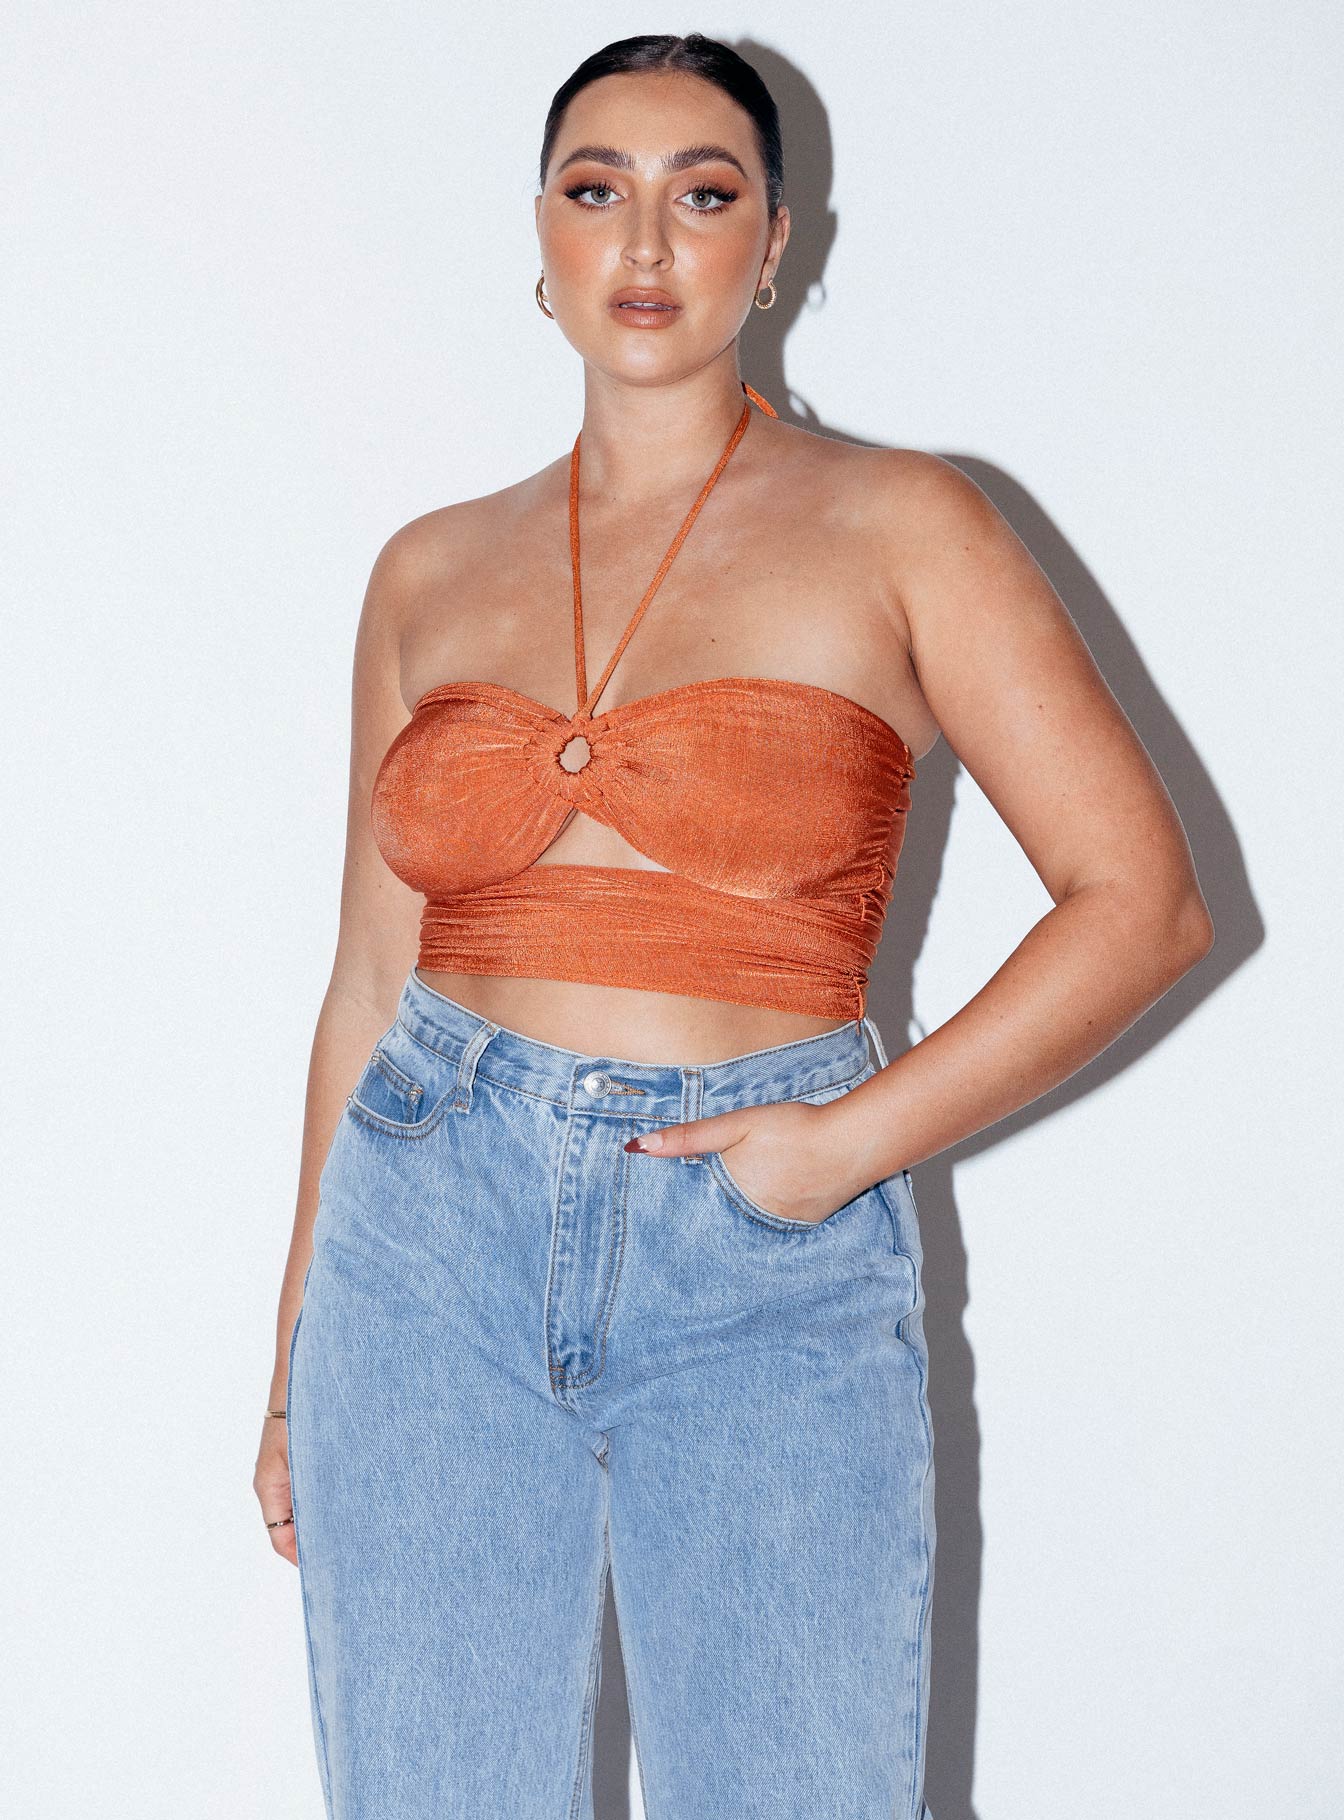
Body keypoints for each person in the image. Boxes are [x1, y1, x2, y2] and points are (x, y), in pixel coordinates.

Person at [253, 32, 1213, 1820]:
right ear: (539, 235)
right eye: (595, 188)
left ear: (773, 246)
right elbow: (370, 979)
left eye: (703, 196)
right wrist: (297, 1350)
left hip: (760, 1253)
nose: (644, 241)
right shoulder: (426, 569)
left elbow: (1141, 903)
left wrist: (841, 1146)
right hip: (423, 1248)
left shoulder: (906, 523)